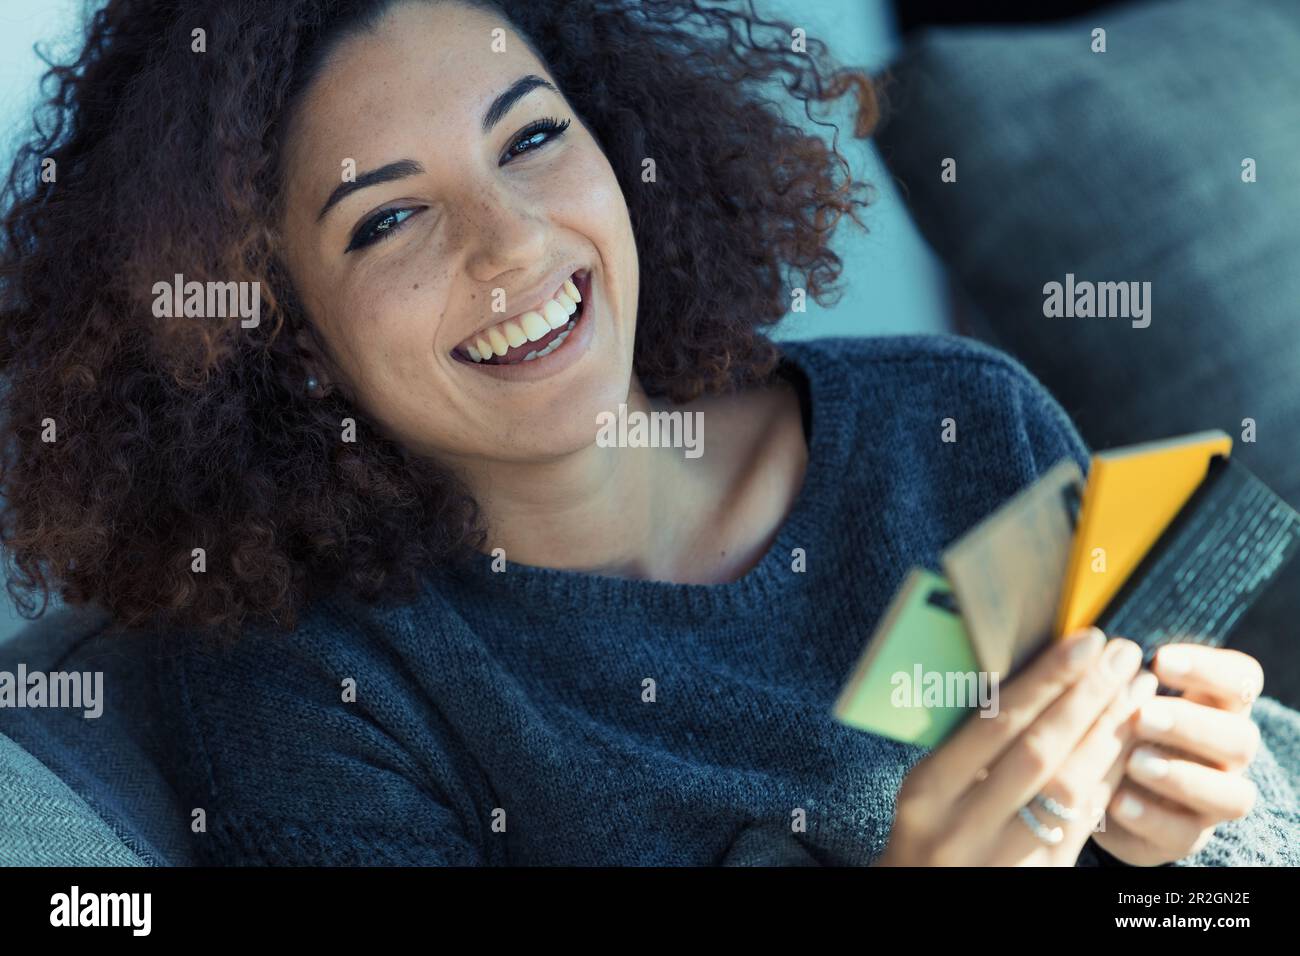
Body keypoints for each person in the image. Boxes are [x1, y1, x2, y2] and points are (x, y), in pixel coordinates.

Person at [1, 0, 1296, 866]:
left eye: (534, 138)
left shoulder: (953, 428)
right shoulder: (309, 687)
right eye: (387, 220)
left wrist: (1203, 835)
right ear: (272, 332)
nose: (513, 242)